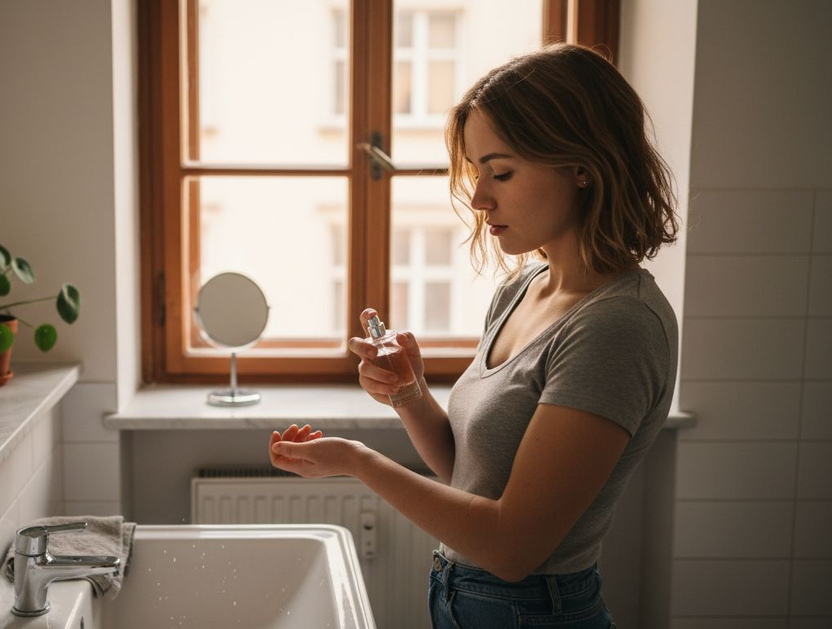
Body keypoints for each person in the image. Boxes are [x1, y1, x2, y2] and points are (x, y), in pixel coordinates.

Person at [268, 43, 680, 628]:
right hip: (463, 598)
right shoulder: (522, 288)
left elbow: (512, 548)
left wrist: (358, 461)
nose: (480, 198)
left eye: (503, 172)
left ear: (584, 167)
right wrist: (408, 394)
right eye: (477, 171)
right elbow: (470, 474)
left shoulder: (617, 326)